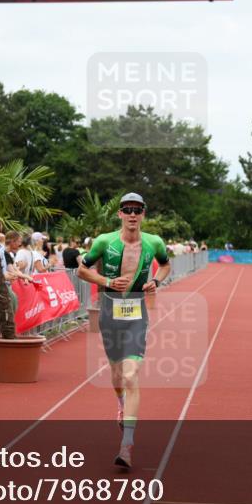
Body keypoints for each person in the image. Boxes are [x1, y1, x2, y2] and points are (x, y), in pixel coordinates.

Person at [77, 193, 170, 470]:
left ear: (143, 214)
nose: (132, 214)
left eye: (137, 210)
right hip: (109, 311)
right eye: (127, 210)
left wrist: (155, 280)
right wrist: (106, 280)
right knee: (117, 374)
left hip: (136, 312)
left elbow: (165, 265)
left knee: (131, 374)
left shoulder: (154, 242)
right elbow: (82, 270)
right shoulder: (105, 241)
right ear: (119, 213)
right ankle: (120, 403)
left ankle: (126, 446)